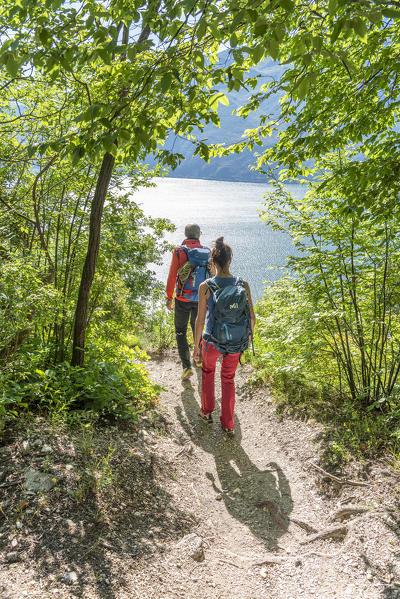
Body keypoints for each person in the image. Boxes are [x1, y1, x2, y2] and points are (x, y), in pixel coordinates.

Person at [192, 237, 256, 436]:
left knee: (208, 374)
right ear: (229, 261)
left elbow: (200, 321)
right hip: (236, 341)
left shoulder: (206, 286)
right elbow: (252, 318)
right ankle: (228, 423)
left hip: (212, 341)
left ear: (212, 263)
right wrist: (245, 340)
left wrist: (196, 347)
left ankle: (206, 411)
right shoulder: (242, 284)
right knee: (228, 378)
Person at [166, 224, 211, 380]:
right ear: (199, 234)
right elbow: (211, 275)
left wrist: (168, 297)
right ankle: (198, 360)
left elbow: (172, 275)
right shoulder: (206, 252)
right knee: (197, 327)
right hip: (200, 299)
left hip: (182, 298)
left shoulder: (179, 251)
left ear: (185, 234)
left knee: (180, 331)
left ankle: (186, 367)